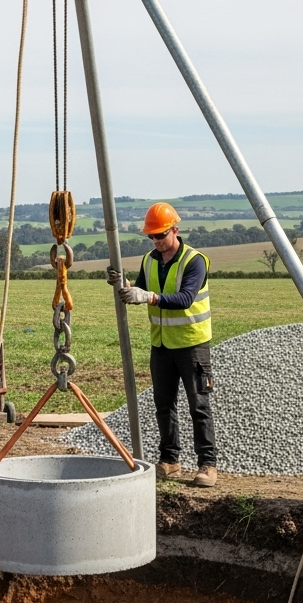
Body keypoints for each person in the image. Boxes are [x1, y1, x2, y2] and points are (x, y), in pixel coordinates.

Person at [106, 202, 217, 487]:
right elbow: (142, 289)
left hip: (192, 345)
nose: (156, 241)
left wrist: (149, 298)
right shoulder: (150, 259)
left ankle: (207, 465)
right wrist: (124, 284)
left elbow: (185, 299)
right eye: (151, 237)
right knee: (163, 406)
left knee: (198, 406)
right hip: (162, 345)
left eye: (161, 235)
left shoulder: (195, 261)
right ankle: (170, 461)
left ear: (175, 231)